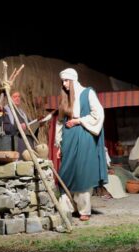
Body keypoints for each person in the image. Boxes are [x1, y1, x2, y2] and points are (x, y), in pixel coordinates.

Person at [55, 68, 108, 221]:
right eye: (62, 81)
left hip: (84, 134)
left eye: (66, 81)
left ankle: (84, 209)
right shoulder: (65, 98)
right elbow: (60, 122)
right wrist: (59, 144)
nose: (64, 84)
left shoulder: (87, 93)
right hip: (69, 137)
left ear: (73, 80)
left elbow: (98, 113)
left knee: (82, 172)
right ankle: (67, 208)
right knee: (66, 172)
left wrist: (79, 120)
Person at [0, 90, 36, 159]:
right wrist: (18, 127)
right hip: (14, 145)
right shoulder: (4, 111)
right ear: (9, 98)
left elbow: (29, 125)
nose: (18, 98)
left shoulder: (22, 113)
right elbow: (6, 127)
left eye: (19, 96)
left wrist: (37, 124)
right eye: (15, 97)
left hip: (26, 145)